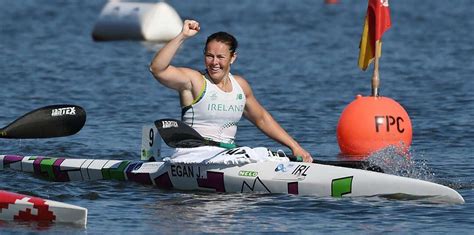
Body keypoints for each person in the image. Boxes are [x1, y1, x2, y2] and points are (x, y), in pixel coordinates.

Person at [149, 19, 312, 163]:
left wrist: (295, 147)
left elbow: (262, 119)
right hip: (192, 155)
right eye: (209, 56)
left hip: (227, 155)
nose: (214, 62)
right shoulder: (194, 80)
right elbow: (157, 69)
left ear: (233, 57)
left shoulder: (241, 85)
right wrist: (182, 36)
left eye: (220, 57)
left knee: (263, 154)